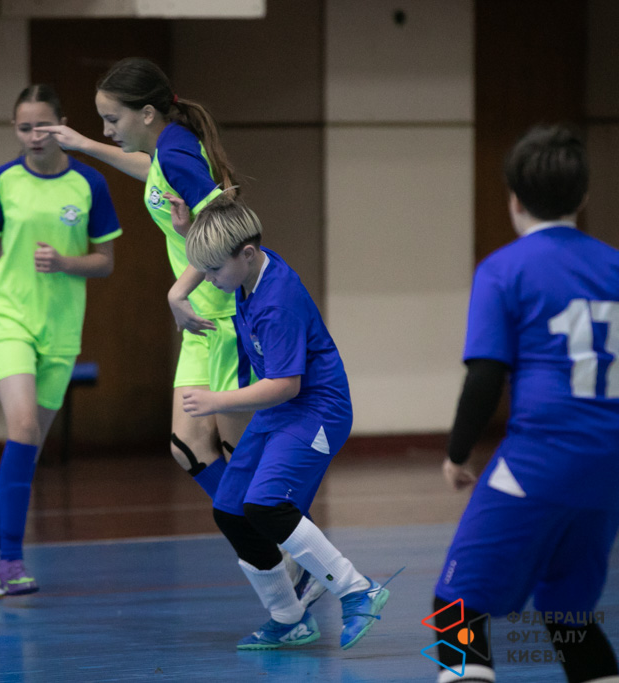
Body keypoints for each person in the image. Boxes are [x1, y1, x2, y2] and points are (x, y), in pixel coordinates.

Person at [38, 57, 323, 604]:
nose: (107, 130)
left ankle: (300, 561)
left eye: (111, 120)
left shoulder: (175, 150)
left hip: (222, 316)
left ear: (147, 114)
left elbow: (230, 222)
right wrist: (85, 145)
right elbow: (151, 173)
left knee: (244, 459)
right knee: (188, 446)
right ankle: (274, 551)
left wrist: (178, 290)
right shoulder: (166, 149)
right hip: (201, 323)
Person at [431, 126, 619, 683]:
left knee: (453, 607)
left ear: (514, 200)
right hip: (609, 467)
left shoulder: (504, 269)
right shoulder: (614, 265)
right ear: (583, 198)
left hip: (541, 458)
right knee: (568, 614)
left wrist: (457, 453)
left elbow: (486, 375)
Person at [182, 198, 390, 650]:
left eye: (213, 270)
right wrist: (177, 293)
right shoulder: (246, 271)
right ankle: (288, 618)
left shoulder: (277, 302)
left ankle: (358, 590)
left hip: (317, 410)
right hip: (282, 411)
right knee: (231, 509)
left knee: (267, 505)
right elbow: (216, 258)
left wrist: (216, 400)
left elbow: (286, 385)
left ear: (246, 254)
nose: (208, 279)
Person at [0, 84, 121, 597]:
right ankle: (11, 559)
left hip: (61, 328)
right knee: (24, 426)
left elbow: (105, 261)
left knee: (27, 448)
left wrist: (67, 262)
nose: (34, 136)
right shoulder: (2, 181)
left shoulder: (90, 183)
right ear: (15, 129)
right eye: (24, 127)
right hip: (7, 318)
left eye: (43, 126)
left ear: (62, 125)